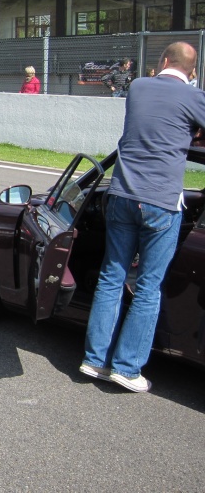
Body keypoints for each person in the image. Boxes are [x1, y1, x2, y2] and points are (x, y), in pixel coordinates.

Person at [80, 42, 205, 393]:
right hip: (161, 203)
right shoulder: (195, 97)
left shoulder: (137, 87)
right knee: (148, 287)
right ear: (192, 72)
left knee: (111, 276)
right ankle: (127, 368)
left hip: (121, 195)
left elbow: (154, 111)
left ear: (164, 61)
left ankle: (94, 359)